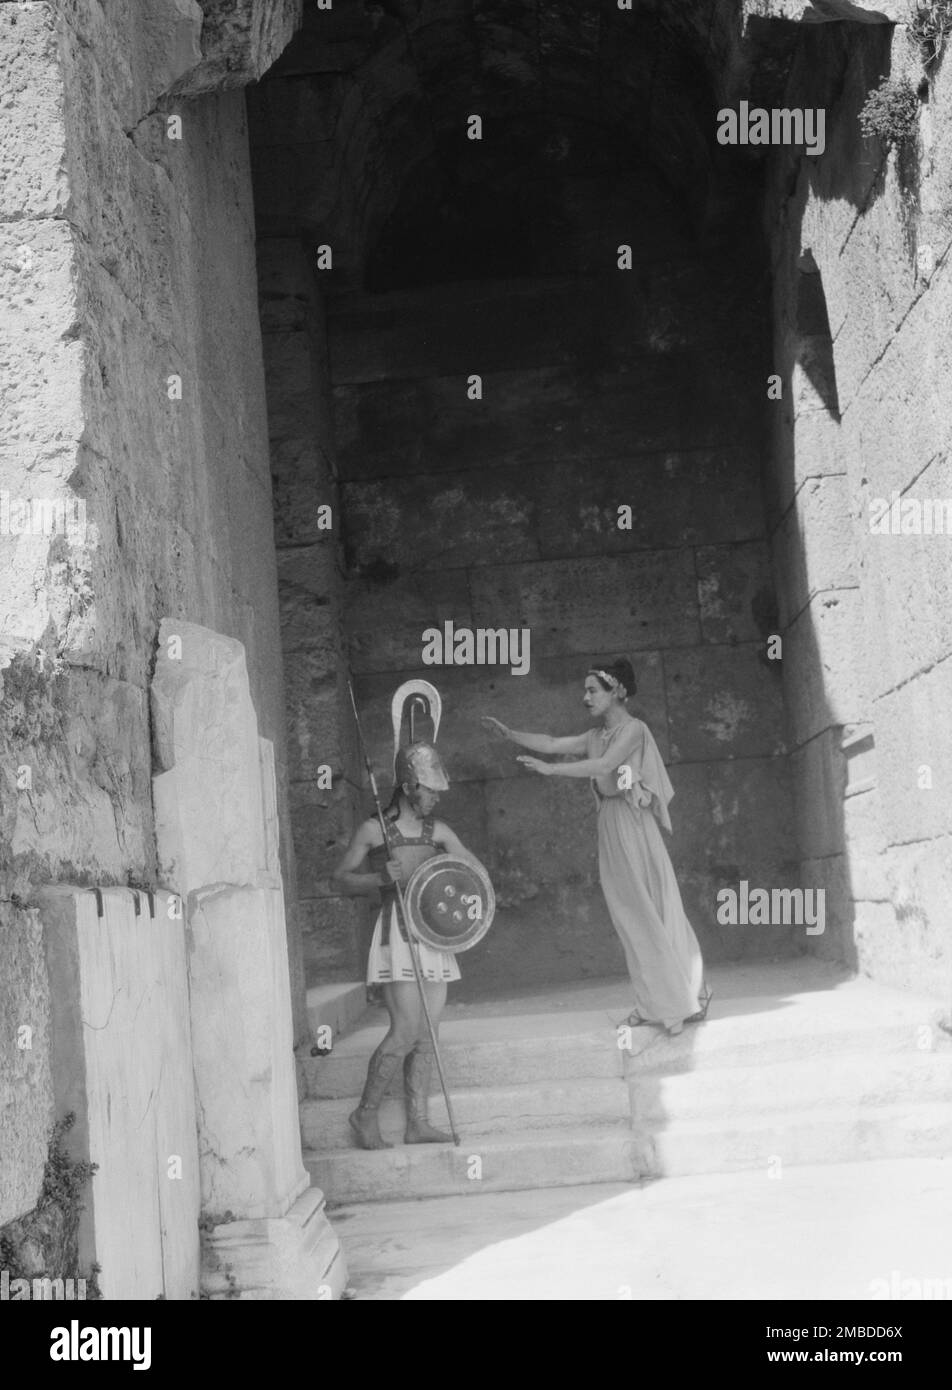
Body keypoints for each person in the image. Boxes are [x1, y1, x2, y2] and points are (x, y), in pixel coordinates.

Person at [481, 658, 710, 1036]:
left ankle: (675, 1003)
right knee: (629, 917)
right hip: (611, 823)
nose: (584, 697)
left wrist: (551, 771)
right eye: (585, 690)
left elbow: (604, 766)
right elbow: (553, 743)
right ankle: (654, 1001)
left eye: (592, 690)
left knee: (650, 909)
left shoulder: (633, 730)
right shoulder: (594, 735)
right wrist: (510, 734)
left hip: (633, 824)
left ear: (617, 690)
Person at [333, 732, 471, 1150]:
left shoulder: (439, 832)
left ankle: (418, 1122)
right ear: (410, 787)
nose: (436, 799)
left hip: (432, 933)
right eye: (430, 791)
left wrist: (453, 871)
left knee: (428, 1034)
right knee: (407, 1028)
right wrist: (378, 877)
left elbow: (473, 873)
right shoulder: (374, 830)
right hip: (397, 930)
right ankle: (365, 1114)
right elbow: (338, 879)